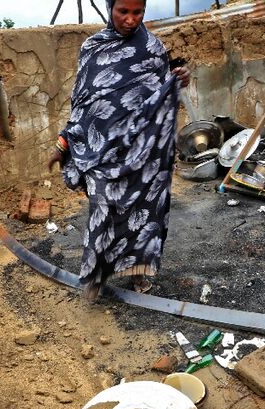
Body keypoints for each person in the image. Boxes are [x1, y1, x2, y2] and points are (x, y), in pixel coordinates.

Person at [48, 0, 190, 301]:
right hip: (103, 152)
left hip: (142, 153)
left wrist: (177, 83)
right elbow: (82, 104)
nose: (130, 19)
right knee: (104, 209)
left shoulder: (152, 48)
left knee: (145, 210)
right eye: (122, 11)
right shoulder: (93, 49)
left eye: (137, 12)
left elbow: (159, 96)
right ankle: (97, 275)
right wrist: (63, 144)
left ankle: (138, 272)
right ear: (110, 8)